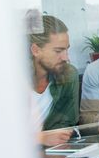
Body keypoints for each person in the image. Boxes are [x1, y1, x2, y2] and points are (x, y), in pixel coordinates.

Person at [28, 13, 79, 147]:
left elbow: (66, 124)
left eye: (67, 50)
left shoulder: (68, 74)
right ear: (36, 50)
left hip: (48, 157)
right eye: (58, 51)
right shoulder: (11, 81)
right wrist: (39, 138)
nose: (66, 58)